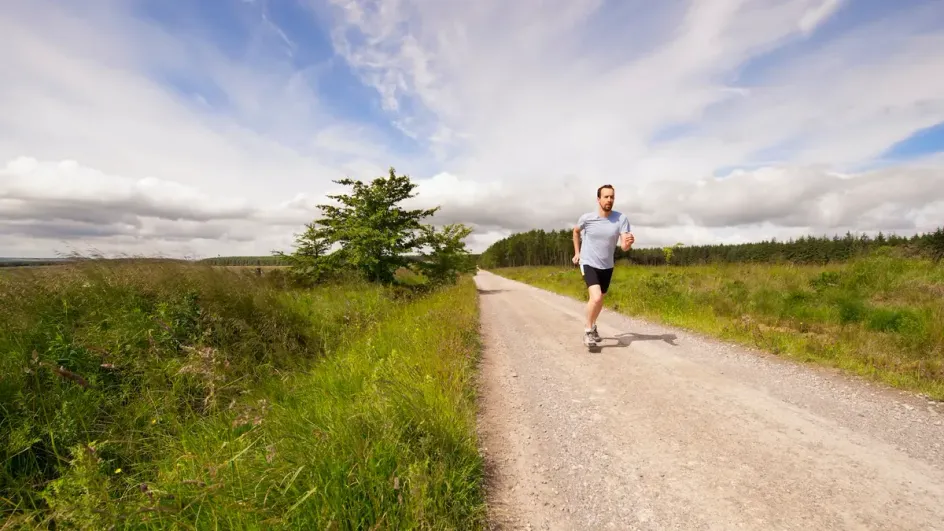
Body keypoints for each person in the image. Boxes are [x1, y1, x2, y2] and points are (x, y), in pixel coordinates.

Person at [572, 184, 634, 346]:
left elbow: (624, 247)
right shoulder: (587, 218)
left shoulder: (621, 219)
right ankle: (587, 331)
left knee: (600, 301)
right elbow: (576, 231)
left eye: (612, 197)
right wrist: (577, 253)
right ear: (598, 199)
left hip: (607, 265)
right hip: (588, 262)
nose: (609, 200)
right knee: (596, 297)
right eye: (606, 197)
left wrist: (629, 243)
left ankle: (593, 326)